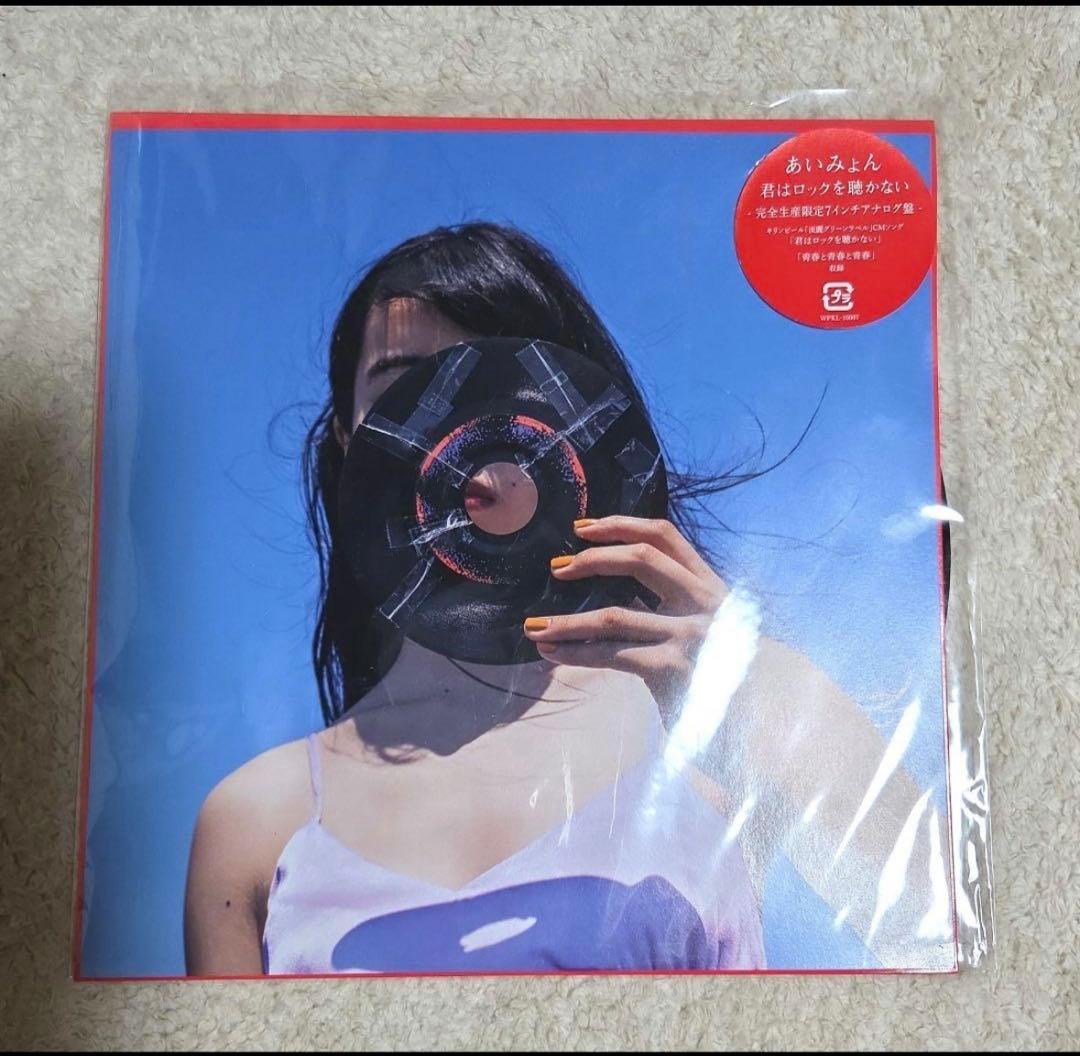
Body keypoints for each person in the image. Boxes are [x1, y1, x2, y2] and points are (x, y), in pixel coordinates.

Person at [184, 223, 951, 976]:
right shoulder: (259, 820)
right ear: (350, 443)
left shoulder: (702, 739)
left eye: (503, 383)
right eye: (405, 388)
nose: (462, 432)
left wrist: (757, 692)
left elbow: (951, 945)